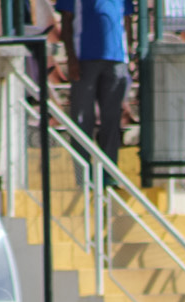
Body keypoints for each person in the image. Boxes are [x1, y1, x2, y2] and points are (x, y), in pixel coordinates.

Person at [56, 0, 134, 185]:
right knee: (82, 120)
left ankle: (109, 175)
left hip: (116, 61)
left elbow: (127, 21)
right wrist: (71, 58)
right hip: (84, 60)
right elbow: (66, 22)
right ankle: (82, 176)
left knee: (112, 120)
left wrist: (128, 54)